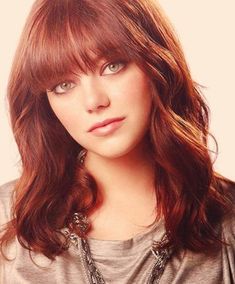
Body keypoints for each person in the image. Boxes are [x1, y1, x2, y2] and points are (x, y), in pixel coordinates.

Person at [0, 0, 234, 283]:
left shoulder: (227, 221)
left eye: (113, 66)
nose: (94, 101)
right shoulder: (8, 218)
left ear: (157, 65)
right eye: (64, 85)